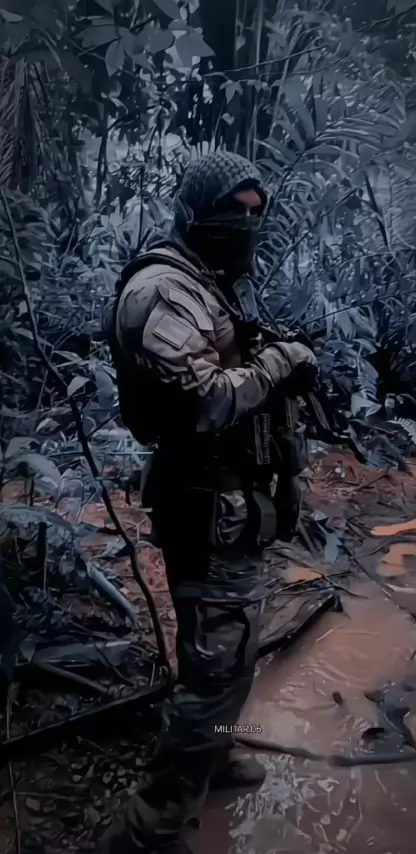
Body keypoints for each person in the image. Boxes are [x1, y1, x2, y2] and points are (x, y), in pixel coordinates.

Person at [102, 150, 318, 853]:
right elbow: (202, 403)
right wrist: (279, 365)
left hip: (229, 501)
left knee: (228, 655)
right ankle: (150, 826)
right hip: (204, 504)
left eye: (256, 213)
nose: (247, 225)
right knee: (216, 671)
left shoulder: (206, 282)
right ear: (197, 213)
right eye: (234, 211)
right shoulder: (163, 292)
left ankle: (214, 756)